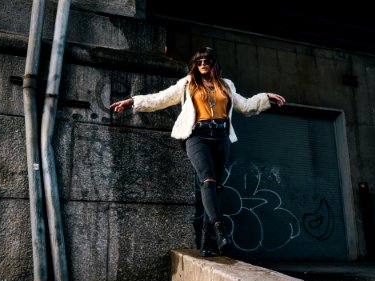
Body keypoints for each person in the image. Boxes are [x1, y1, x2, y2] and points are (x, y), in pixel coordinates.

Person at [110, 47, 286, 257]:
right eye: (199, 60)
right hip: (197, 136)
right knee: (208, 181)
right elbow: (161, 98)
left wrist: (265, 97)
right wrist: (133, 101)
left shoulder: (226, 85)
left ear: (213, 63)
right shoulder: (187, 84)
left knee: (214, 188)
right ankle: (220, 229)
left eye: (207, 60)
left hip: (221, 137)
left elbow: (245, 106)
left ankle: (206, 240)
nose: (203, 63)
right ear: (195, 64)